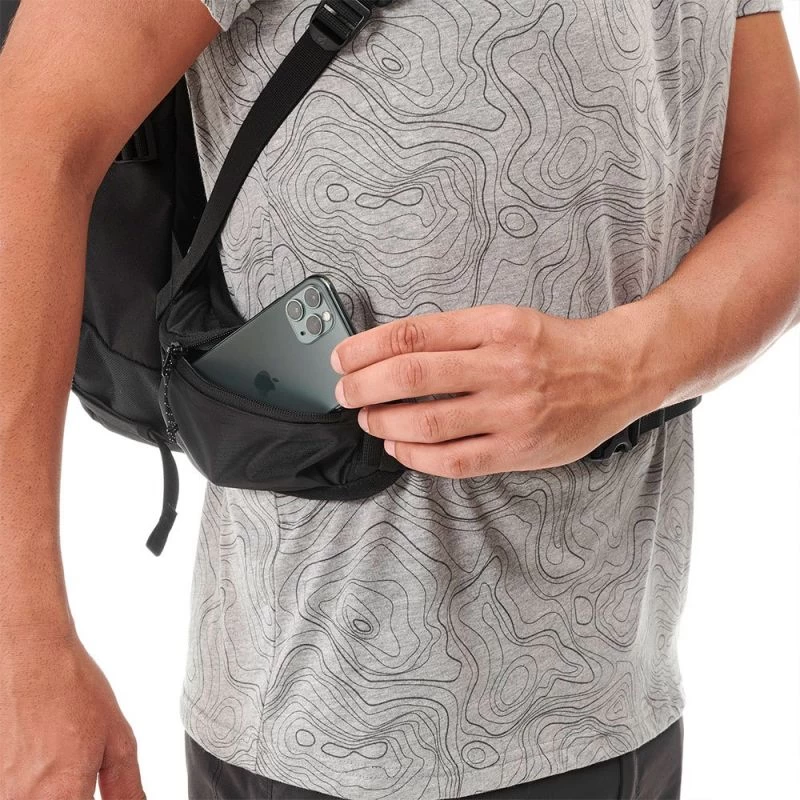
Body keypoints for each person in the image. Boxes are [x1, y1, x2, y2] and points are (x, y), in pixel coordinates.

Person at [1, 0, 798, 798]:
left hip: (622, 692)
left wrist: (626, 366)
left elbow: (779, 177)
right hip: (330, 727)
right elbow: (33, 136)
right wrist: (23, 652)